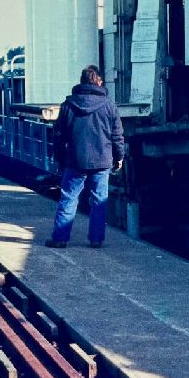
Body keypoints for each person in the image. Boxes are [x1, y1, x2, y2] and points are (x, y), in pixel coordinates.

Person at [45, 65, 125, 249]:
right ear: (99, 82)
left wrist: (59, 158)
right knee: (99, 200)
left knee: (69, 198)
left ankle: (60, 238)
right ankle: (96, 239)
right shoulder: (109, 106)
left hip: (75, 160)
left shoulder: (68, 105)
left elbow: (59, 136)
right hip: (102, 160)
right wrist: (119, 157)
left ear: (81, 82)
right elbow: (117, 135)